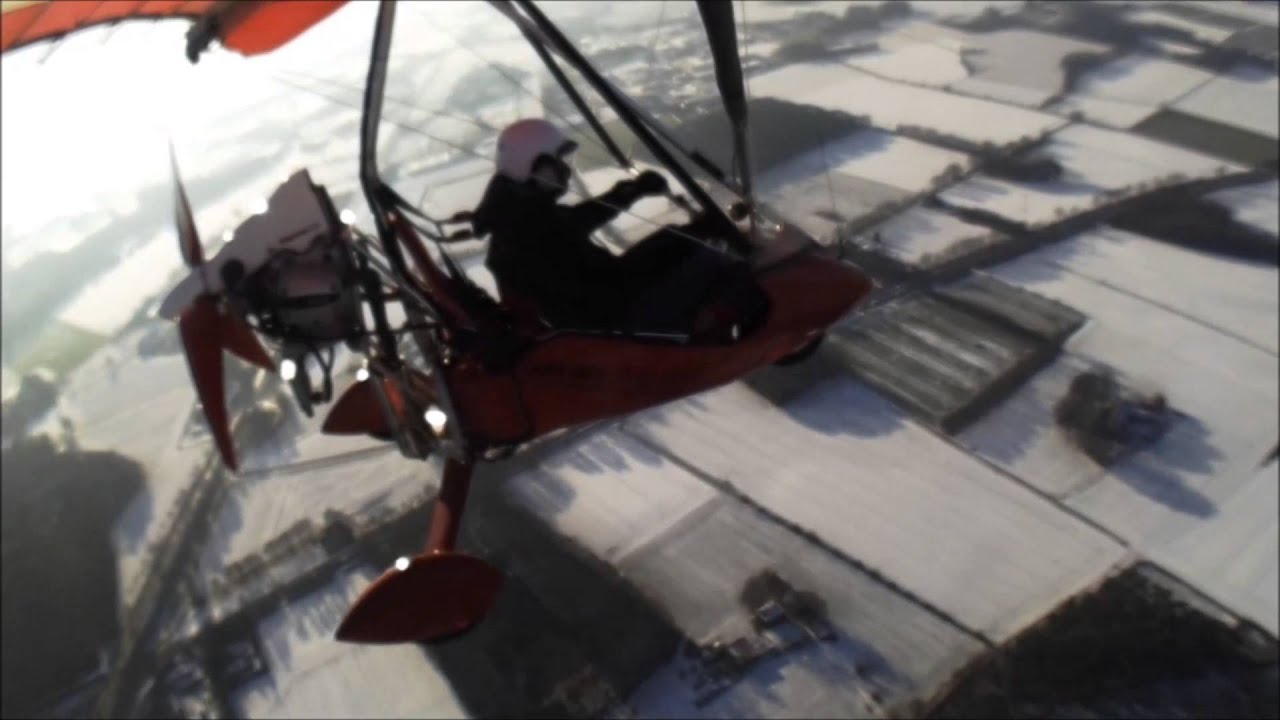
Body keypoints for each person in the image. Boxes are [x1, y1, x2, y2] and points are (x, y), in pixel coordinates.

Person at [471, 118, 757, 334]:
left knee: (679, 238)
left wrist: (631, 191)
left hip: (604, 296)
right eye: (559, 161)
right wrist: (633, 195)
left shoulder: (517, 208)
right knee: (706, 258)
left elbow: (576, 222)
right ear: (536, 168)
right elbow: (574, 229)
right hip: (614, 320)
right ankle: (749, 324)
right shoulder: (524, 226)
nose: (566, 170)